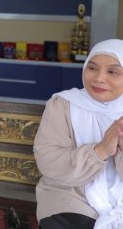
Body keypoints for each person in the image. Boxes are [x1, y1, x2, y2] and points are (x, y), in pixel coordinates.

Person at [34, 39, 123, 229]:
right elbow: (48, 160)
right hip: (70, 198)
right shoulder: (63, 104)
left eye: (112, 71)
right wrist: (100, 151)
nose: (99, 78)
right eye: (92, 68)